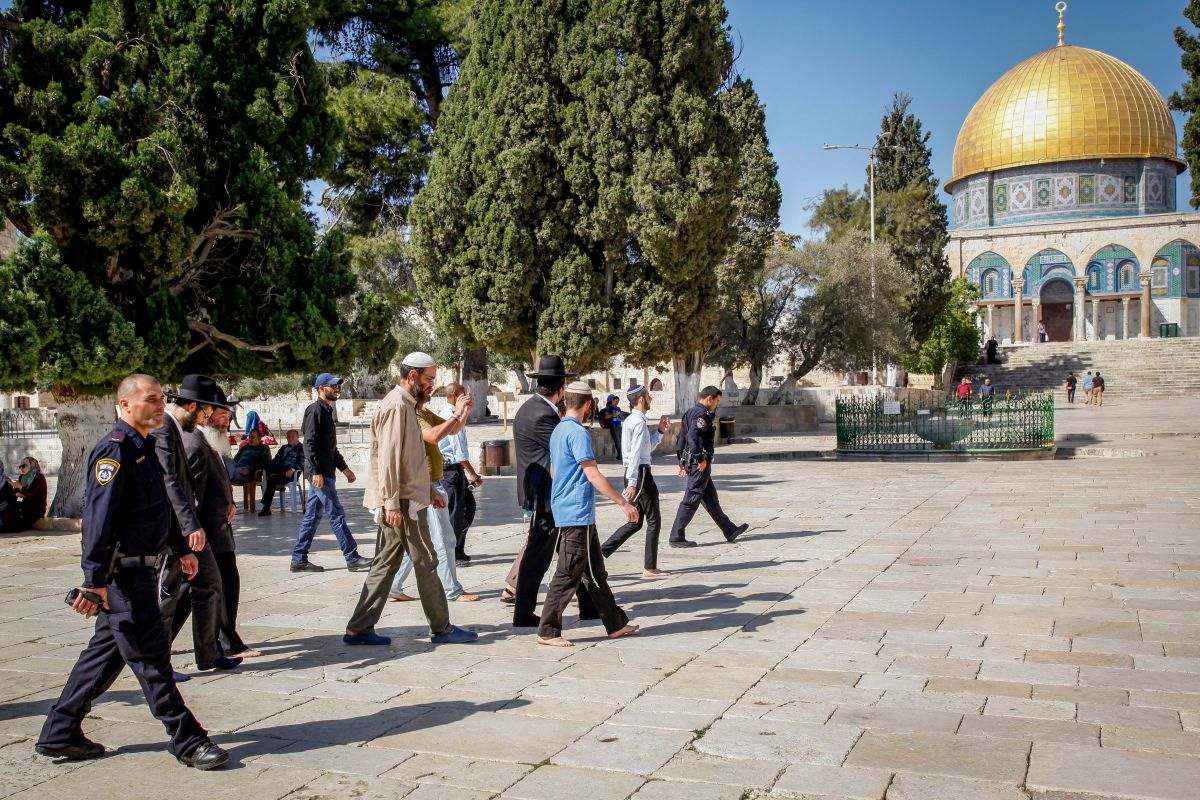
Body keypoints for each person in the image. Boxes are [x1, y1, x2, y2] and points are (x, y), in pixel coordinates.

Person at [35, 374, 228, 770]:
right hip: (122, 578)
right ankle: (189, 741)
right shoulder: (114, 452)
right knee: (152, 659)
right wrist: (94, 582)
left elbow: (158, 508)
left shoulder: (145, 447)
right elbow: (97, 522)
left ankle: (60, 731)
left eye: (161, 399)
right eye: (151, 400)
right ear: (125, 405)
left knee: (104, 655)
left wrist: (179, 549)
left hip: (142, 570)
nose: (159, 406)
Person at [342, 354, 478, 646]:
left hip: (407, 497)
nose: (432, 385)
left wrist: (429, 490)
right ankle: (441, 628)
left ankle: (359, 627)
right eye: (429, 379)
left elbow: (411, 457)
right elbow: (389, 460)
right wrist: (391, 504)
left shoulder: (408, 406)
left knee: (386, 562)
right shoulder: (396, 406)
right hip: (402, 502)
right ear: (412, 376)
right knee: (427, 560)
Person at [537, 382, 641, 647]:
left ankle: (615, 624)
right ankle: (548, 630)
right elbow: (592, 473)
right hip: (576, 514)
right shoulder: (577, 432)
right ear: (588, 405)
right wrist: (623, 503)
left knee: (596, 571)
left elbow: (553, 469)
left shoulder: (559, 430)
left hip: (573, 510)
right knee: (568, 572)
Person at [153, 375, 241, 677]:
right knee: (167, 597)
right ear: (192, 406)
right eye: (205, 413)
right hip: (177, 530)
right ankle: (159, 663)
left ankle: (208, 653)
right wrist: (192, 525)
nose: (207, 418)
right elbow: (171, 482)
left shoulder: (181, 431)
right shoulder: (166, 430)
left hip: (191, 528)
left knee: (210, 584)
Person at [510, 356, 598, 628]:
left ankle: (590, 606)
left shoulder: (530, 408)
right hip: (550, 496)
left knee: (579, 551)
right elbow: (564, 456)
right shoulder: (544, 416)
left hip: (546, 494)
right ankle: (523, 612)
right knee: (540, 555)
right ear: (561, 389)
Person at [387, 377, 480, 603]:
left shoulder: (425, 413)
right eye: (427, 385)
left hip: (430, 484)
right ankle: (451, 590)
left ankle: (394, 586)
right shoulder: (414, 415)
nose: (431, 389)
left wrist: (464, 412)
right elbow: (433, 436)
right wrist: (458, 412)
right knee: (445, 538)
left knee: (420, 541)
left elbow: (453, 429)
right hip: (426, 485)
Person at [183, 396, 258, 658]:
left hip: (218, 528)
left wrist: (230, 503)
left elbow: (221, 480)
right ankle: (158, 641)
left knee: (222, 584)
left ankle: (226, 640)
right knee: (194, 591)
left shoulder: (214, 441)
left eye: (229, 414)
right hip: (205, 531)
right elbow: (190, 492)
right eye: (221, 414)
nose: (226, 419)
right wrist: (193, 527)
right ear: (207, 413)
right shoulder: (196, 442)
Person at [290, 373, 372, 573]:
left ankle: (299, 558)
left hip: (326, 472)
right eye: (332, 386)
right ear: (321, 389)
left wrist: (344, 468)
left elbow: (330, 448)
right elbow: (308, 445)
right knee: (336, 513)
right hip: (319, 474)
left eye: (337, 387)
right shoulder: (314, 411)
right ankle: (351, 556)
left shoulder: (326, 412)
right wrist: (315, 472)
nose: (337, 389)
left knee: (312, 517)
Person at [601, 384, 671, 577]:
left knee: (636, 521)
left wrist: (660, 433)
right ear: (641, 399)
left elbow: (643, 450)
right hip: (640, 474)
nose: (651, 399)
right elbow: (634, 456)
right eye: (648, 396)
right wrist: (632, 482)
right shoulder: (638, 422)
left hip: (637, 472)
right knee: (654, 519)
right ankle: (650, 567)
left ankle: (601, 553)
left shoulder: (633, 420)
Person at [668, 386, 748, 548]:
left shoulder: (690, 412)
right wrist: (700, 458)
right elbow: (692, 437)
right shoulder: (701, 414)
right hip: (699, 465)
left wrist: (682, 462)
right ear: (709, 399)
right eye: (717, 401)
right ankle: (676, 536)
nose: (717, 405)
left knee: (711, 499)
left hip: (695, 464)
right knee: (691, 499)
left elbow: (681, 439)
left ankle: (730, 530)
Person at [437, 383, 483, 564]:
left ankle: (457, 547)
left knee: (468, 508)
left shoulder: (456, 415)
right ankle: (450, 552)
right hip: (451, 471)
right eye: (465, 394)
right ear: (456, 395)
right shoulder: (449, 416)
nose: (469, 397)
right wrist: (473, 474)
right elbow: (458, 452)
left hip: (455, 470)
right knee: (455, 512)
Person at [258, 429, 304, 515]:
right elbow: (276, 459)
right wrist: (271, 465)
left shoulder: (301, 448)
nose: (290, 438)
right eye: (288, 437)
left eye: (292, 436)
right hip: (279, 469)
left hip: (290, 472)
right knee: (266, 465)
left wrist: (293, 469)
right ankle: (272, 476)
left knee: (272, 479)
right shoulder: (284, 447)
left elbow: (303, 462)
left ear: (297, 437)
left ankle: (266, 507)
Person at [11, 456, 48, 530]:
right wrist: (14, 487)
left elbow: (35, 496)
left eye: (24, 466)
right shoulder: (22, 477)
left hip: (36, 508)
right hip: (25, 506)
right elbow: (19, 492)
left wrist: (21, 488)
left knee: (18, 523)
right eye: (20, 466)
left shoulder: (39, 477)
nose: (22, 468)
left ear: (32, 465)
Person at [598, 394, 625, 459]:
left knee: (621, 440)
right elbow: (606, 417)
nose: (617, 403)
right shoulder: (608, 408)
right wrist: (613, 414)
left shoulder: (618, 408)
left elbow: (622, 418)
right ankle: (620, 455)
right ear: (612, 401)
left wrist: (620, 414)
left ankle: (623, 454)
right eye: (615, 401)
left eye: (618, 402)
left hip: (619, 425)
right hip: (613, 425)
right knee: (617, 440)